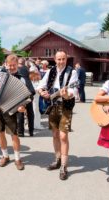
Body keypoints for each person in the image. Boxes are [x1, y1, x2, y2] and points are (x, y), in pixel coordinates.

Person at [37, 50, 78, 180]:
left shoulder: (72, 72)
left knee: (63, 136)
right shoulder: (50, 71)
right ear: (54, 60)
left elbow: (73, 90)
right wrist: (42, 92)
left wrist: (66, 94)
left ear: (66, 59)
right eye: (59, 59)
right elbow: (40, 86)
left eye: (63, 59)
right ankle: (58, 159)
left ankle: (64, 166)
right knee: (55, 134)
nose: (61, 61)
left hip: (65, 106)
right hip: (52, 106)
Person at [0, 54, 28, 170]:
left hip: (11, 109)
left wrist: (22, 106)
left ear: (17, 65)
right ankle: (5, 156)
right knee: (0, 133)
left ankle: (18, 158)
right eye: (10, 65)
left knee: (14, 134)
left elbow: (25, 95)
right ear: (6, 64)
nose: (12, 67)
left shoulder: (20, 78)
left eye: (14, 65)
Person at [17, 58, 35, 137]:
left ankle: (21, 132)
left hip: (22, 92)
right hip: (30, 91)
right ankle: (31, 131)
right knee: (30, 112)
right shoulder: (27, 69)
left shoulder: (18, 69)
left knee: (21, 112)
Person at [28, 60, 44, 130]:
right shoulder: (30, 80)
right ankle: (35, 125)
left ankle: (37, 124)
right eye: (35, 72)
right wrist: (37, 90)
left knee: (37, 110)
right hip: (34, 97)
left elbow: (40, 86)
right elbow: (32, 89)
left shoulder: (37, 79)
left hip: (37, 96)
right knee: (35, 110)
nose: (37, 73)